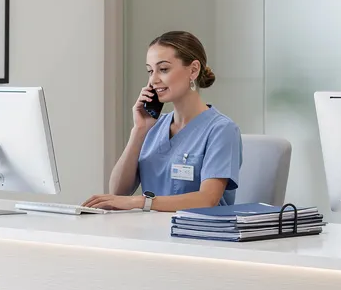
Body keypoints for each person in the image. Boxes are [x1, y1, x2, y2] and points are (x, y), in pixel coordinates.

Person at [85, 31, 242, 211]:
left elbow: (207, 199)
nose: (153, 80)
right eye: (150, 71)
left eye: (164, 69)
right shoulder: (153, 127)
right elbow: (118, 191)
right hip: (150, 227)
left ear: (193, 70)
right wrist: (139, 130)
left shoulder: (222, 130)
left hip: (196, 229)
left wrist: (141, 202)